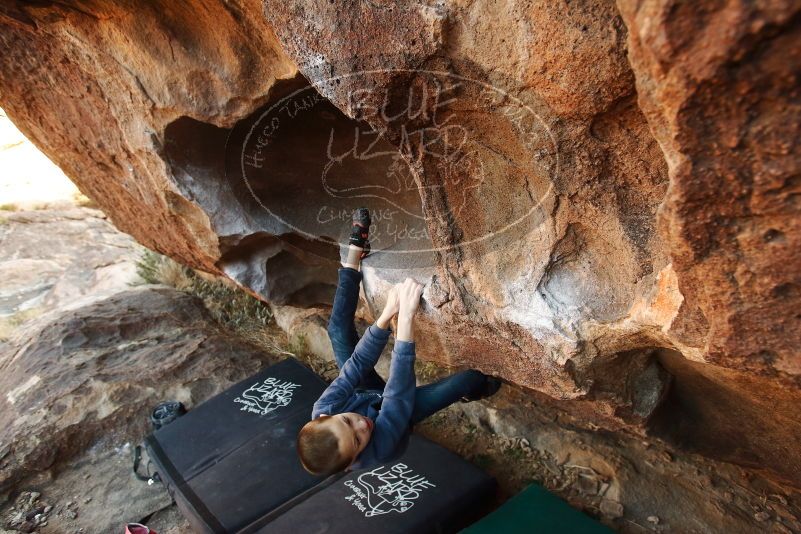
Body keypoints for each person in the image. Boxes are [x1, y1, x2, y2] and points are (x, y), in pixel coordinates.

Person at [296, 208, 501, 476]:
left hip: (364, 392)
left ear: (325, 417)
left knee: (337, 330)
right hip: (399, 413)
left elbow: (356, 366)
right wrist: (405, 318)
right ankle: (477, 390)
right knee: (469, 379)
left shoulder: (324, 408)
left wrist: (385, 316)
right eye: (357, 441)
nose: (362, 426)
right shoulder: (381, 446)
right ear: (352, 462)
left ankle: (354, 256)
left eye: (347, 420)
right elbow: (396, 395)